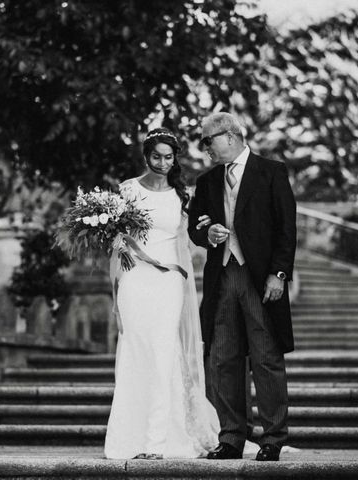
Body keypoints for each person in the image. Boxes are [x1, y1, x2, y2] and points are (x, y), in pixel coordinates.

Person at [105, 128, 245, 459]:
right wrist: (114, 294)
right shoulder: (126, 190)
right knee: (134, 352)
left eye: (169, 157)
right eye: (157, 156)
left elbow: (189, 239)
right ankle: (129, 440)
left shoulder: (182, 196)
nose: (163, 163)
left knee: (163, 354)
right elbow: (117, 243)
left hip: (168, 282)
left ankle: (158, 442)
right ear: (146, 157)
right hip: (133, 278)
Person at [188, 112, 297, 462]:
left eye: (208, 140)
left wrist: (278, 275)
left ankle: (273, 439)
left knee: (266, 359)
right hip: (222, 278)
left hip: (260, 279)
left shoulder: (272, 172)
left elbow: (286, 228)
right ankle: (232, 437)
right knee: (222, 360)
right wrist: (208, 234)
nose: (205, 148)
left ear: (231, 136)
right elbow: (195, 227)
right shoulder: (206, 182)